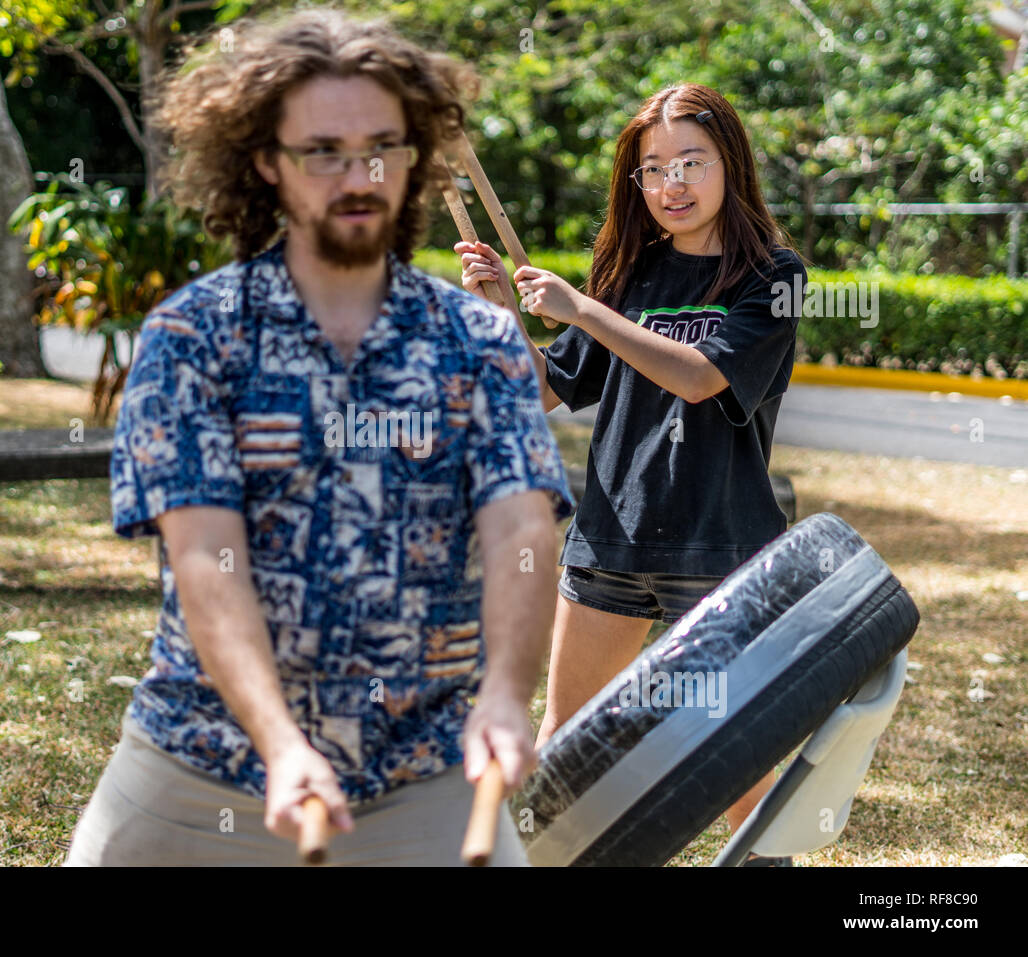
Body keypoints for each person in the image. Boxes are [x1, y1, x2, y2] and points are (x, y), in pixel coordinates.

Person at [64, 7, 574, 867]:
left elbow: (520, 530)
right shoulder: (193, 337)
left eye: (382, 146)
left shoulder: (479, 341)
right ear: (267, 161)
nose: (359, 174)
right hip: (200, 762)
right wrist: (281, 742)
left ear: (415, 156)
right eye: (324, 151)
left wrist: (503, 694)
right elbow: (205, 557)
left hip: (421, 770)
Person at [457, 84, 807, 866]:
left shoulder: (772, 276)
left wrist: (582, 308)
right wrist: (500, 312)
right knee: (565, 742)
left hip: (718, 547)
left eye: (692, 162)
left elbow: (700, 377)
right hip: (610, 540)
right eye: (653, 169)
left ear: (731, 164)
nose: (671, 184)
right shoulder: (629, 272)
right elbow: (546, 389)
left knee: (733, 753)